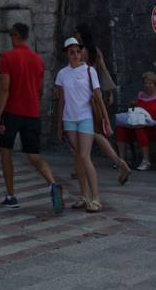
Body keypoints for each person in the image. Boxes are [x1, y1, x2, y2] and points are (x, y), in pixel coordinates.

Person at [0, 23, 64, 214]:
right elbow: (40, 90)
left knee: (6, 152)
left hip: (11, 112)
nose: (10, 38)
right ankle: (52, 184)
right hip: (32, 112)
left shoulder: (8, 57)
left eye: (11, 35)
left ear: (16, 36)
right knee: (34, 155)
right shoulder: (38, 60)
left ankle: (11, 196)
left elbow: (5, 88)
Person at [55, 37, 112, 213]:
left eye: (78, 51)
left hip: (85, 117)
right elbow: (61, 101)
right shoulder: (62, 74)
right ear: (66, 54)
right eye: (71, 52)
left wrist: (106, 119)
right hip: (69, 119)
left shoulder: (89, 71)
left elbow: (98, 97)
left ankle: (96, 198)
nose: (75, 55)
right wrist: (59, 125)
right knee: (78, 157)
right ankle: (84, 195)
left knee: (85, 156)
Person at [75, 22, 131, 183]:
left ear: (80, 34)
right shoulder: (96, 51)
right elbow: (104, 71)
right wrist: (110, 93)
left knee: (93, 133)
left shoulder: (80, 52)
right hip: (96, 94)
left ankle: (119, 162)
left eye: (76, 32)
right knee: (89, 132)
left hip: (85, 97)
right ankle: (79, 167)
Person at [115, 71, 156, 171]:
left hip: (154, 128)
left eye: (150, 83)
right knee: (121, 128)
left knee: (140, 128)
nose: (147, 86)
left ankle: (146, 161)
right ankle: (121, 160)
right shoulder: (140, 95)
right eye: (145, 83)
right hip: (139, 124)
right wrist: (134, 104)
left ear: (155, 84)